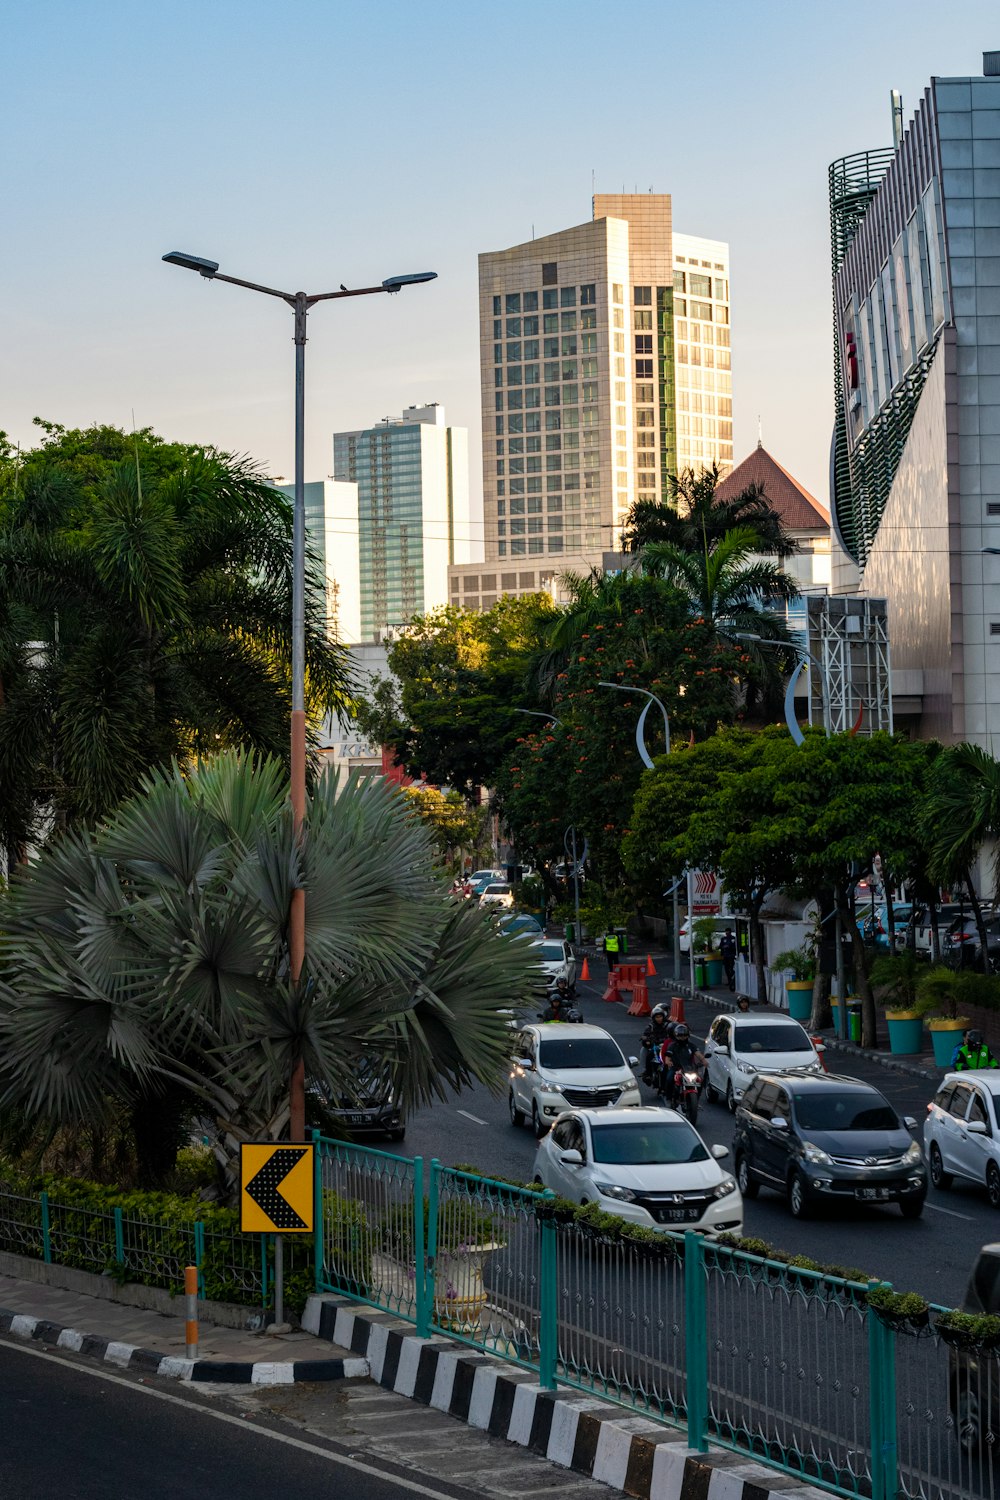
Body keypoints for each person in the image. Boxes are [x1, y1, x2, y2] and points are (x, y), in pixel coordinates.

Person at [659, 1022, 706, 1106]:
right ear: (676, 1036)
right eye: (680, 1036)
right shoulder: (672, 1045)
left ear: (687, 1035)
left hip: (689, 1069)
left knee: (700, 1081)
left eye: (684, 1035)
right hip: (676, 1069)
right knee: (669, 1079)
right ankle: (669, 1098)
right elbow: (667, 1057)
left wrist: (703, 1060)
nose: (682, 1038)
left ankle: (696, 1101)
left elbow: (698, 1053)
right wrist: (668, 1062)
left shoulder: (691, 1045)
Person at [640, 1005, 672, 1086]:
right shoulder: (651, 1027)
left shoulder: (669, 1025)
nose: (659, 1018)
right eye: (657, 1017)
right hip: (656, 1047)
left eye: (660, 1016)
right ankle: (647, 1072)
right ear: (653, 1018)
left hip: (668, 1046)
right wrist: (646, 1040)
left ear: (663, 1016)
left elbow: (677, 1031)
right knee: (644, 1050)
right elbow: (645, 1035)